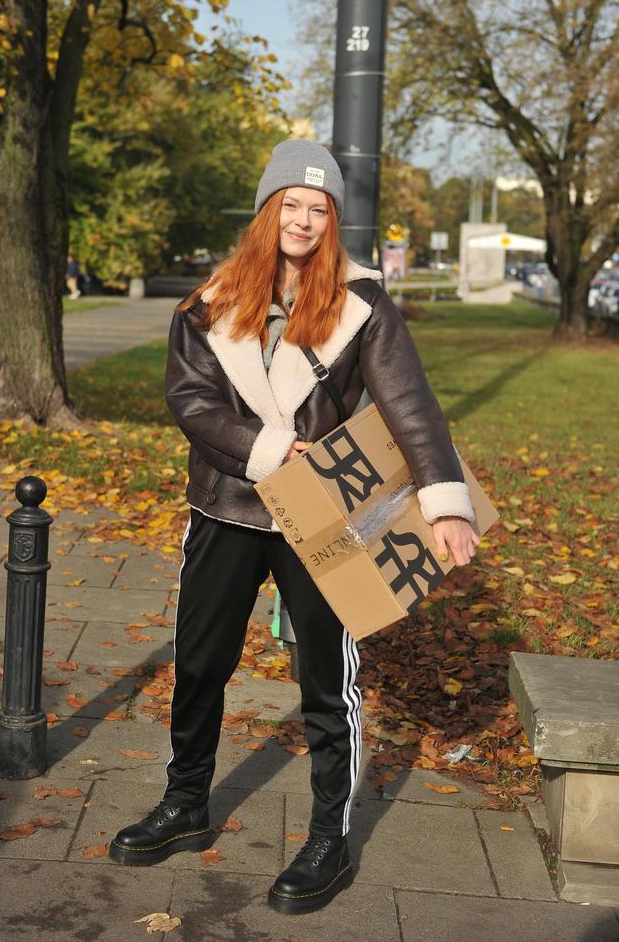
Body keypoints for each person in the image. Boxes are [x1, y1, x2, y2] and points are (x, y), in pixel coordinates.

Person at [109, 140, 480, 914]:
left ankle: (328, 838)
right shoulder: (208, 304)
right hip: (227, 504)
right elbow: (192, 402)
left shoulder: (363, 305)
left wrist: (445, 503)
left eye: (320, 208)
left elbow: (409, 405)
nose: (305, 218)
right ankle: (185, 803)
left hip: (320, 520)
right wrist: (273, 449)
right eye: (292, 203)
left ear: (333, 221)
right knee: (199, 660)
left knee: (326, 681)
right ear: (267, 209)